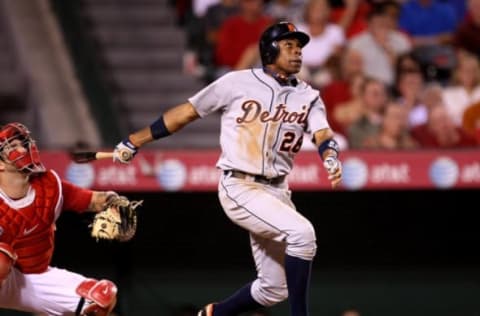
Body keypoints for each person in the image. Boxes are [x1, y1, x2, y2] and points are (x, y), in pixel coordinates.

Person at [113, 21, 343, 316]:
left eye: (299, 47)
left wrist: (331, 157)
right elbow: (186, 113)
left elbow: (323, 134)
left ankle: (213, 314)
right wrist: (134, 141)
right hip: (241, 185)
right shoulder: (236, 82)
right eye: (289, 46)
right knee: (302, 234)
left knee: (274, 288)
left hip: (278, 190)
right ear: (270, 50)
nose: (297, 52)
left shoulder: (308, 95)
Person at [0, 122, 120, 315]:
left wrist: (115, 202)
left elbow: (92, 200)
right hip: (3, 274)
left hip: (34, 277)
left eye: (23, 143)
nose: (23, 148)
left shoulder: (49, 185)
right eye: (13, 147)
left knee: (100, 300)